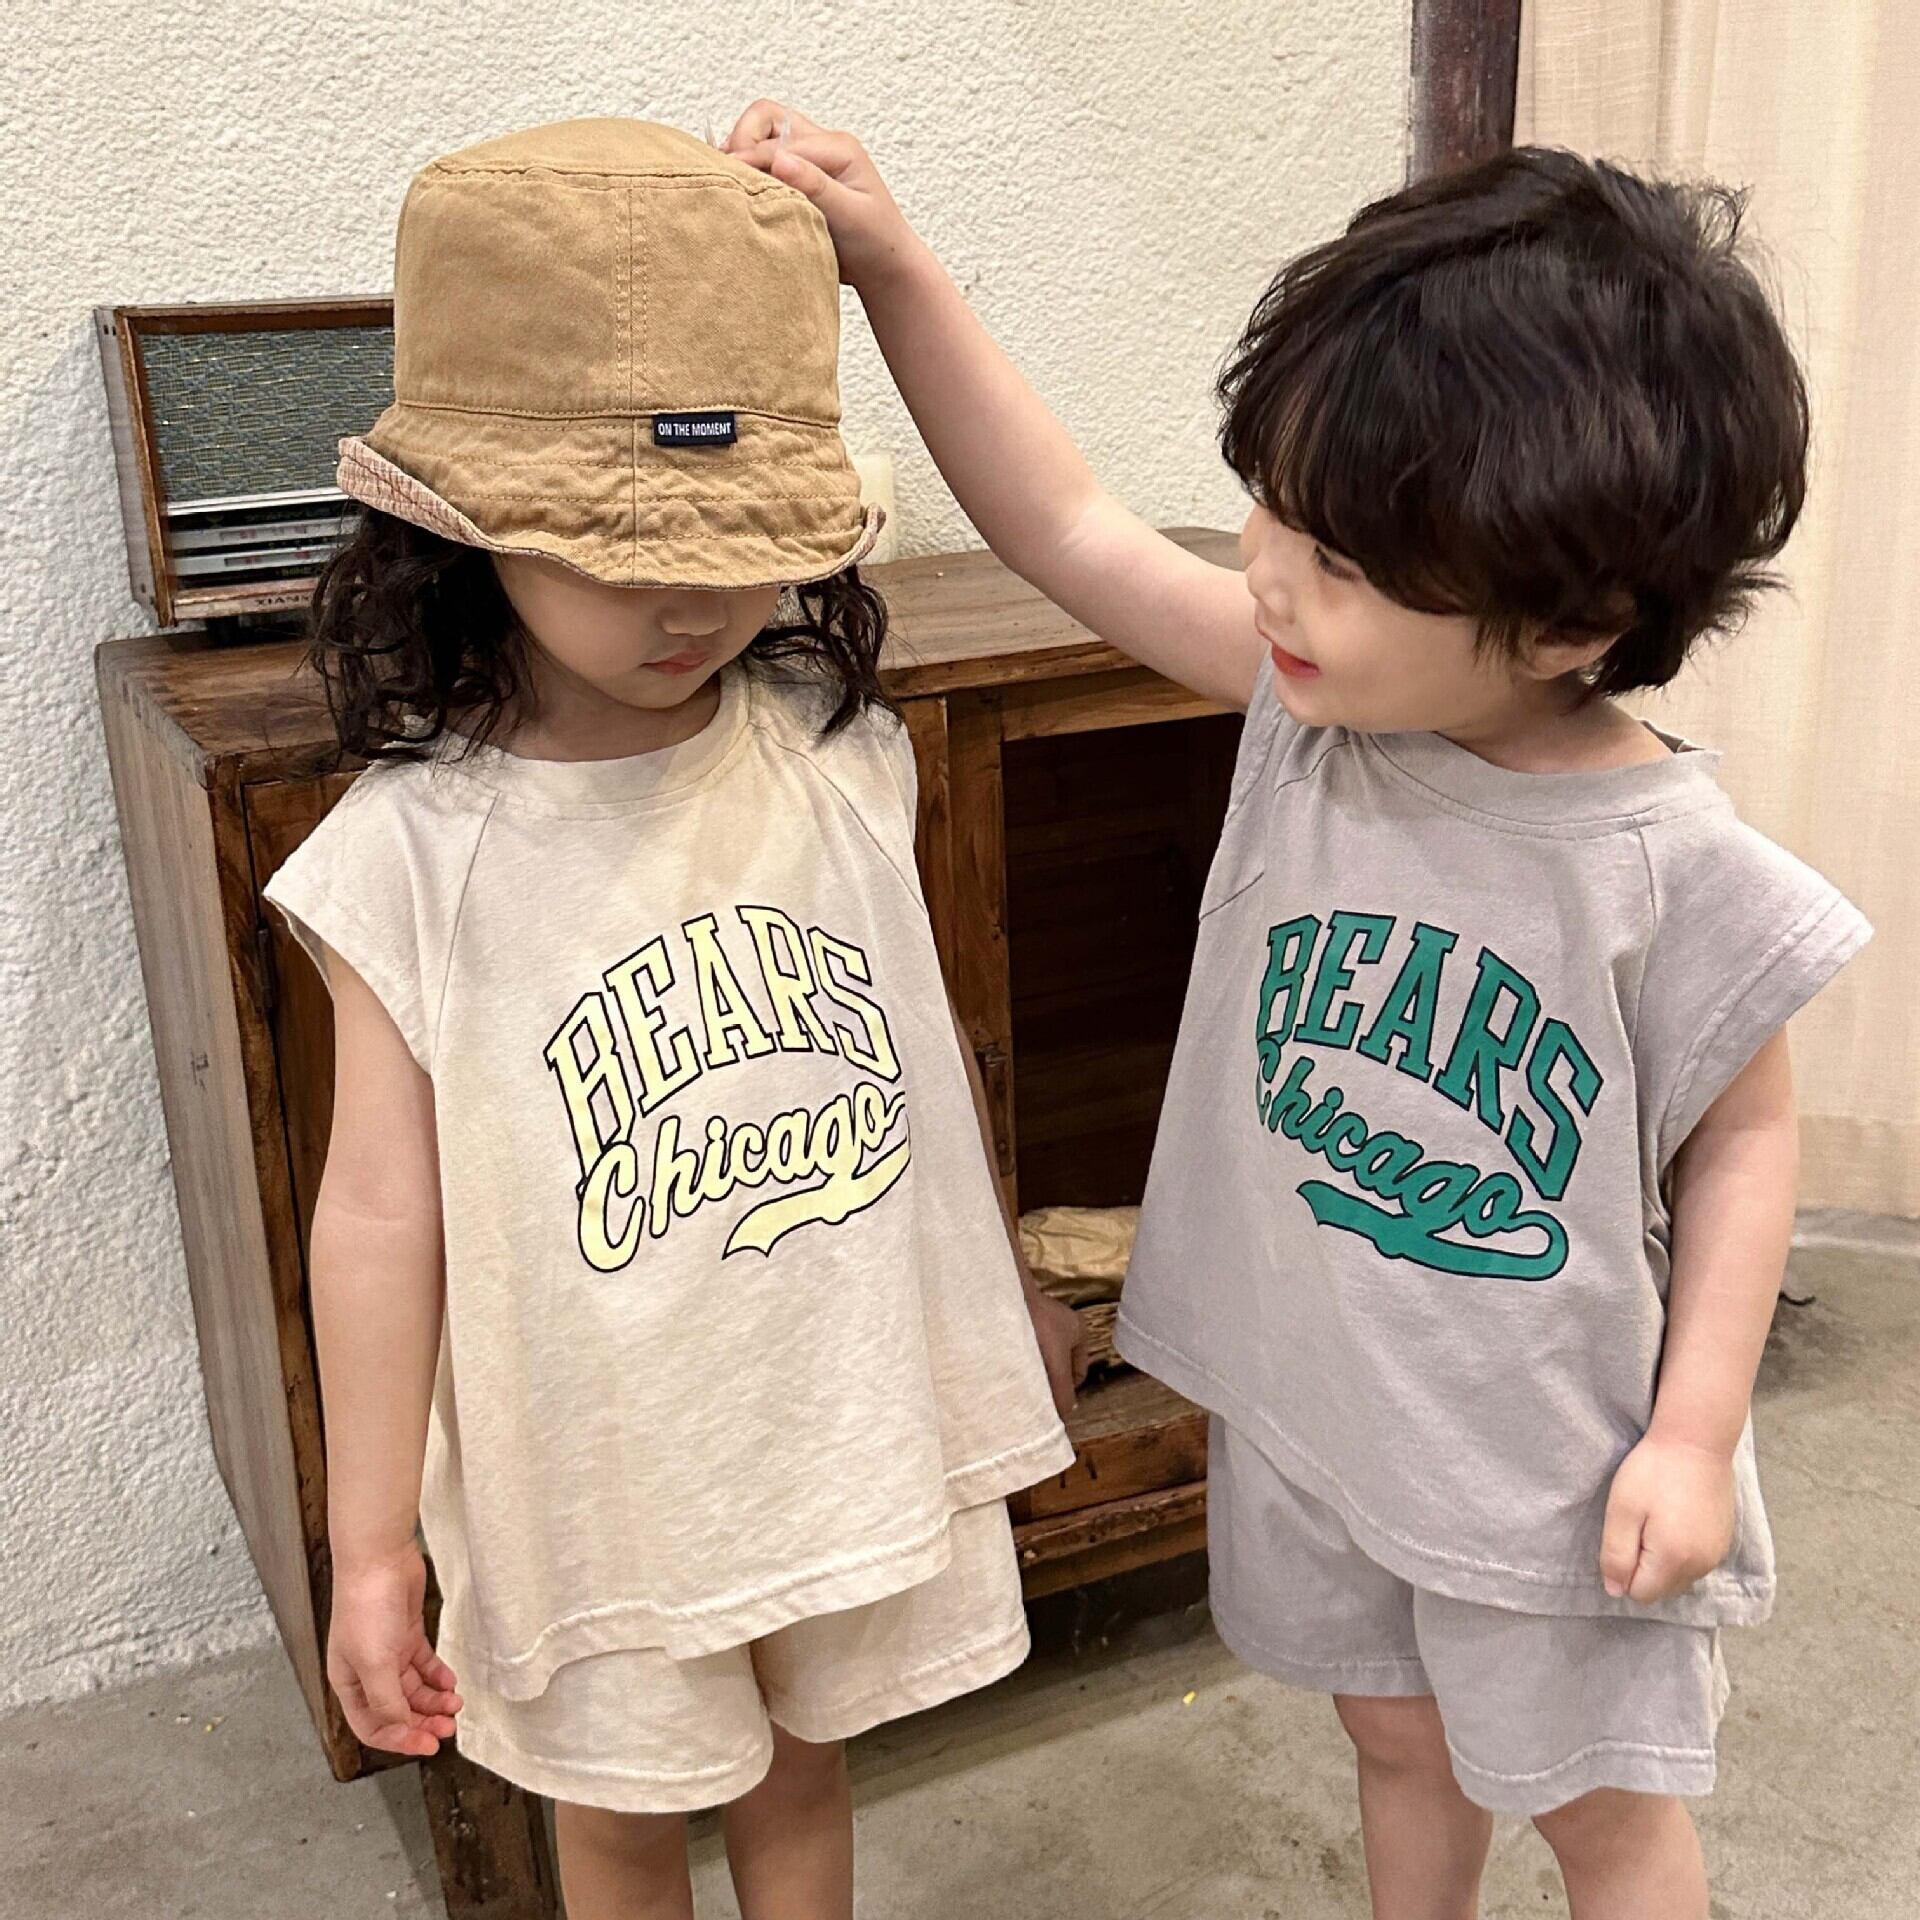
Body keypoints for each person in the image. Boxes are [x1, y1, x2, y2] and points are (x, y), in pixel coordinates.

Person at [725, 103, 1871, 1919]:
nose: (1269, 573)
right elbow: (1066, 524)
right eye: (1275, 503)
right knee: (1392, 1739)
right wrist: (895, 270)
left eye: (1341, 560)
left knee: (1602, 1813)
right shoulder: (1305, 713)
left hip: (1542, 1470)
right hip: (1320, 1406)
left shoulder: (1665, 860)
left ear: (1573, 621)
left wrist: (1695, 1430)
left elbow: (1745, 1140)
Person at [263, 116, 1082, 1920]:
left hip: (826, 1414)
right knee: (621, 1808)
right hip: (595, 1470)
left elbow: (916, 1052)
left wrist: (998, 1292)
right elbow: (378, 1208)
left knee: (805, 1760)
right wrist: (370, 1541)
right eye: (617, 550)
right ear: (457, 532)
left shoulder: (839, 760)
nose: (692, 599)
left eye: (742, 543)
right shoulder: (412, 855)